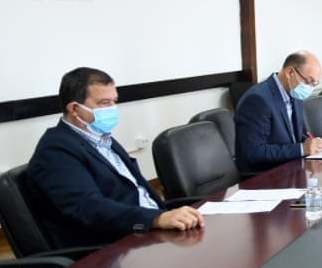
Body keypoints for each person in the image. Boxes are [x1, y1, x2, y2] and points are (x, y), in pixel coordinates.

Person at [26, 67, 204, 249]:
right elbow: (89, 208)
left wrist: (163, 215)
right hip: (115, 245)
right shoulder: (56, 150)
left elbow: (135, 188)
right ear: (74, 109)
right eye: (104, 103)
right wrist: (155, 219)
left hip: (148, 230)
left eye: (114, 101)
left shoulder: (101, 138)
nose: (112, 109)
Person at [234, 51, 322, 172]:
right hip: (265, 174)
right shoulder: (257, 100)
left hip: (291, 168)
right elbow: (253, 152)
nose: (309, 88)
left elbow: (293, 136)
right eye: (308, 81)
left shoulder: (295, 94)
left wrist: (308, 142)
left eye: (314, 84)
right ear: (290, 73)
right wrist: (302, 149)